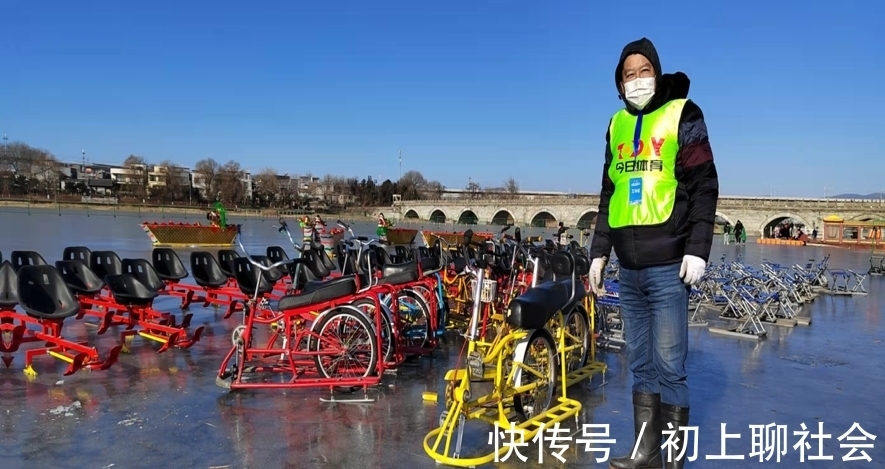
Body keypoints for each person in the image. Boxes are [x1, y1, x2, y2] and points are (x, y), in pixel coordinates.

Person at [587, 38, 719, 469]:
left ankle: (674, 460)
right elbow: (610, 194)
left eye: (645, 70)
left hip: (667, 268)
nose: (637, 79)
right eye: (628, 74)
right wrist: (598, 253)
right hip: (629, 270)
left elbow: (704, 185)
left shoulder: (684, 113)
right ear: (619, 82)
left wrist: (698, 249)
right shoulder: (615, 126)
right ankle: (646, 449)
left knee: (670, 366)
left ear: (657, 73)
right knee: (639, 363)